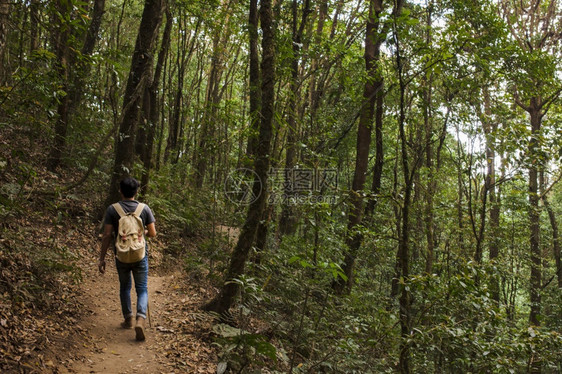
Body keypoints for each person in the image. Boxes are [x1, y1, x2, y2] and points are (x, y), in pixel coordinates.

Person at [98, 177, 156, 341]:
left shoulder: (112, 209)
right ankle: (140, 319)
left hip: (121, 255)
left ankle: (128, 318)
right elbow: (152, 233)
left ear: (120, 191)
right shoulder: (144, 209)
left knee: (124, 287)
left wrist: (101, 258)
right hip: (140, 255)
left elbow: (107, 235)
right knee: (142, 289)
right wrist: (141, 233)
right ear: (136, 191)